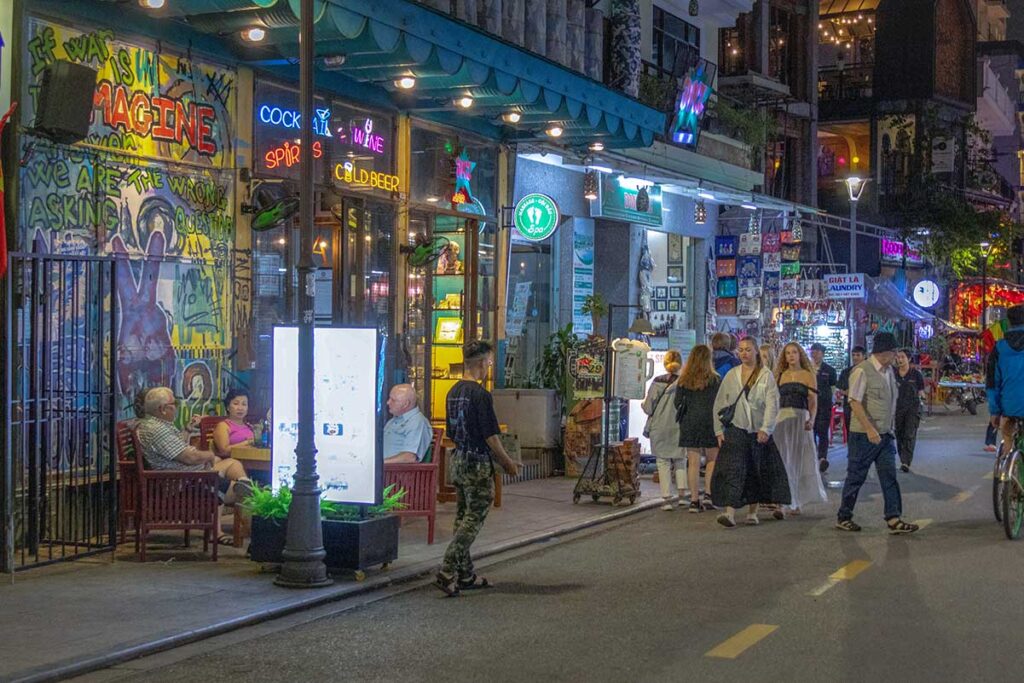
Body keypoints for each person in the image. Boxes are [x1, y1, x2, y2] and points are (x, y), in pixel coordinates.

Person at [435, 341, 519, 597]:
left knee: (462, 516)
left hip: (457, 458)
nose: (489, 368)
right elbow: (491, 436)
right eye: (490, 362)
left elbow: (451, 431)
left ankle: (465, 574)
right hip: (478, 463)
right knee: (474, 518)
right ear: (481, 363)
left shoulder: (452, 392)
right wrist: (507, 462)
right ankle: (447, 569)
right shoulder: (481, 395)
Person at [137, 387, 254, 545]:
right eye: (175, 403)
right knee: (244, 492)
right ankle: (245, 533)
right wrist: (210, 455)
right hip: (184, 482)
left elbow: (178, 448)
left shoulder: (157, 425)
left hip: (188, 475)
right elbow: (189, 457)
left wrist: (188, 430)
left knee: (233, 465)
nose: (177, 407)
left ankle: (242, 483)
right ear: (163, 409)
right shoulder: (157, 430)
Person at [836, 333, 919, 534]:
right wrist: (869, 429)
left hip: (885, 434)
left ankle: (893, 517)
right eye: (894, 352)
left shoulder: (889, 371)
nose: (896, 357)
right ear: (885, 352)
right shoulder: (862, 371)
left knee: (889, 475)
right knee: (856, 476)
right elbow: (854, 401)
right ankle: (844, 516)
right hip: (863, 435)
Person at [711, 337, 790, 528]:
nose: (744, 353)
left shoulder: (766, 375)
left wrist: (766, 428)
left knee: (755, 470)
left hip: (757, 431)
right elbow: (720, 403)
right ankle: (729, 513)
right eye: (741, 350)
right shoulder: (732, 374)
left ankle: (752, 512)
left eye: (748, 349)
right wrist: (718, 429)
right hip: (736, 429)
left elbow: (772, 404)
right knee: (733, 469)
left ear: (755, 351)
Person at [774, 343, 828, 517]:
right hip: (782, 418)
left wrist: (812, 419)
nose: (791, 356)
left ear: (800, 355)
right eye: (788, 353)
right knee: (783, 457)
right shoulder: (780, 376)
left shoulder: (807, 375)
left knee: (799, 458)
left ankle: (797, 500)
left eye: (794, 352)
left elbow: (813, 401)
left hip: (800, 417)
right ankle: (783, 501)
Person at [674, 344, 721, 513]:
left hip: (689, 422)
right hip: (710, 422)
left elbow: (677, 403)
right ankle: (708, 495)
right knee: (712, 460)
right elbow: (720, 402)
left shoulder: (684, 380)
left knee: (693, 462)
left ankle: (694, 500)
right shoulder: (715, 379)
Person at [642, 350, 685, 511]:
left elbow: (648, 408)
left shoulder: (657, 382)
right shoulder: (684, 382)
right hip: (679, 426)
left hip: (659, 426)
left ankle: (666, 499)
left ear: (665, 364)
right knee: (680, 459)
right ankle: (682, 496)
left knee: (663, 461)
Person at [987, 304, 1024, 452]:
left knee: (1008, 440)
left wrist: (995, 412)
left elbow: (992, 384)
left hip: (1009, 406)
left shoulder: (999, 348)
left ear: (1008, 322)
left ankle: (1006, 464)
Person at [383, 384, 434, 463]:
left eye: (393, 400)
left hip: (397, 472)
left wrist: (378, 463)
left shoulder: (417, 422)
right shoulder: (393, 421)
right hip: (384, 470)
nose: (388, 402)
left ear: (406, 404)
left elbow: (409, 457)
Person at [894, 349, 926, 473]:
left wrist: (923, 396)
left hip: (912, 408)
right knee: (899, 434)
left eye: (902, 357)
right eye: (898, 357)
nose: (900, 360)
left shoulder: (916, 374)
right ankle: (903, 456)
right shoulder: (893, 373)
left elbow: (921, 390)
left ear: (909, 359)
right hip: (897, 409)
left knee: (909, 434)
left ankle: (906, 461)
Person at [810, 343, 838, 473]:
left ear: (822, 353)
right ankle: (812, 457)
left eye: (817, 351)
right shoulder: (807, 369)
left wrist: (832, 401)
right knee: (811, 432)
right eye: (813, 351)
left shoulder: (830, 370)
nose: (814, 354)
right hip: (810, 405)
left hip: (824, 405)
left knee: (822, 431)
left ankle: (822, 458)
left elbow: (833, 387)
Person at [835, 345, 866, 457]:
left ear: (864, 356)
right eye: (853, 355)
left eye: (858, 355)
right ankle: (852, 452)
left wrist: (852, 391)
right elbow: (842, 390)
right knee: (850, 430)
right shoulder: (846, 372)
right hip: (850, 407)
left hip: (865, 407)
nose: (855, 357)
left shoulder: (869, 372)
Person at [212, 388, 255, 457]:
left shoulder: (249, 426)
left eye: (244, 404)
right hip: (232, 463)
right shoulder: (223, 426)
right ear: (228, 407)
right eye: (236, 403)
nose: (240, 408)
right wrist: (247, 443)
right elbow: (224, 451)